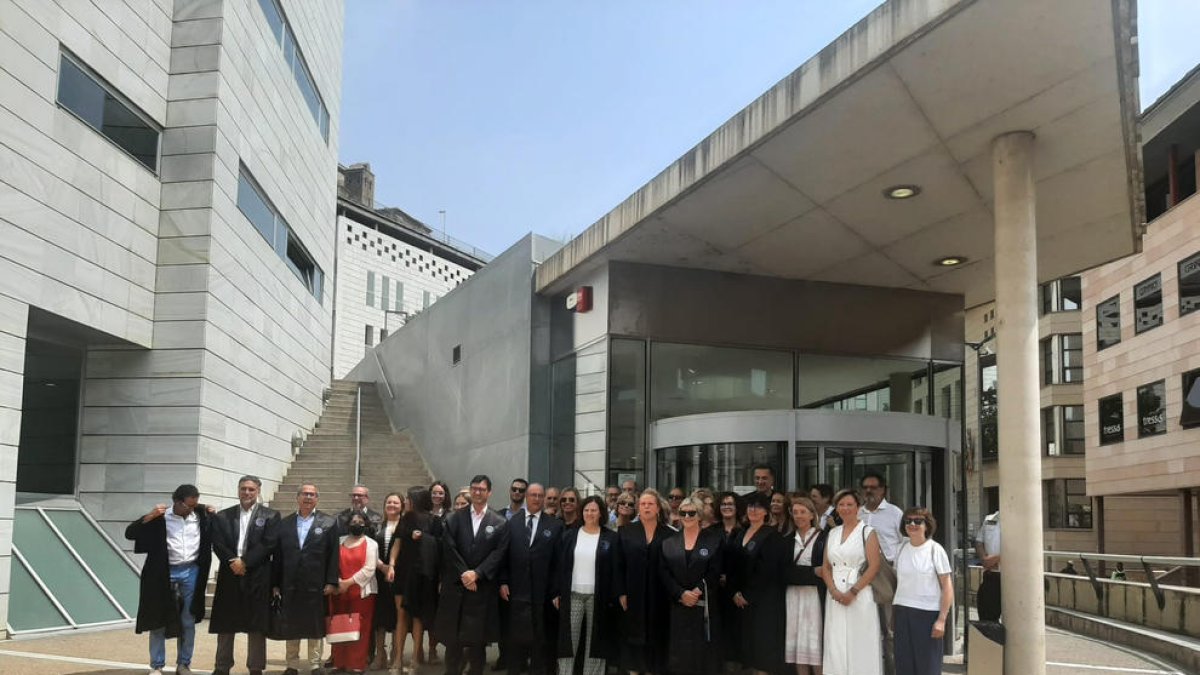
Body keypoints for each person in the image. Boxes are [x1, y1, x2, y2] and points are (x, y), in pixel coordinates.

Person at [125, 484, 214, 675]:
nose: (191, 509)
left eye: (194, 505)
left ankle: (184, 664)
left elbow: (213, 524)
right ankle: (157, 665)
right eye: (188, 505)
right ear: (177, 501)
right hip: (163, 572)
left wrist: (208, 510)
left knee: (188, 619)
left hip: (191, 571)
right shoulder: (160, 518)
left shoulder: (199, 516)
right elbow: (130, 533)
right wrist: (148, 516)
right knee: (158, 619)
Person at [436, 475, 509, 675]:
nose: (477, 492)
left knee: (477, 646)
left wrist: (477, 574)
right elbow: (449, 549)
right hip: (456, 589)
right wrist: (465, 574)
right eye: (474, 488)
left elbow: (499, 553)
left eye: (482, 489)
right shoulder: (454, 518)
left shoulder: (499, 522)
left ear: (489, 493)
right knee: (453, 644)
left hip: (481, 591)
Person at [210, 475, 279, 675]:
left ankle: (256, 667)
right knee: (225, 622)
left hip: (258, 575)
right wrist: (234, 561)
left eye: (251, 489)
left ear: (258, 491)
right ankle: (222, 666)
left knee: (257, 624)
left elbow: (269, 543)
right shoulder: (224, 516)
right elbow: (218, 543)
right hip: (230, 574)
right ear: (238, 490)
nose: (247, 493)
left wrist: (246, 561)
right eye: (243, 489)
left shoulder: (270, 516)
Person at [272, 483, 339, 675]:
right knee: (291, 624)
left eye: (312, 494)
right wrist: (275, 583)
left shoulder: (328, 522)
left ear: (317, 498)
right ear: (297, 497)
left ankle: (314, 664)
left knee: (314, 625)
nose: (308, 497)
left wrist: (331, 581)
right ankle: (292, 664)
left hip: (316, 584)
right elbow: (278, 556)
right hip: (289, 583)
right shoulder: (284, 523)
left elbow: (334, 554)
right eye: (304, 494)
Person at [500, 483, 563, 675]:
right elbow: (503, 556)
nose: (536, 498)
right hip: (516, 592)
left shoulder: (554, 525)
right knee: (515, 641)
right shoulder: (510, 523)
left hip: (542, 595)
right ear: (526, 497)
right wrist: (503, 581)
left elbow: (558, 562)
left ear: (544, 498)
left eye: (540, 495)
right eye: (533, 495)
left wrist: (556, 591)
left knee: (539, 641)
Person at [552, 495, 618, 675]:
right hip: (573, 595)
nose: (589, 513)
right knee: (568, 641)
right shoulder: (569, 536)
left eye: (594, 510)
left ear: (601, 513)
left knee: (595, 642)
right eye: (587, 510)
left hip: (598, 597)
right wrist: (557, 592)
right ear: (582, 512)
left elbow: (615, 570)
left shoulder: (611, 538)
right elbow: (559, 566)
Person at [659, 495, 724, 675]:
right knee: (679, 656)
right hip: (678, 608)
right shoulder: (668, 543)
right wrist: (680, 594)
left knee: (703, 657)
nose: (687, 517)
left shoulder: (713, 540)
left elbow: (715, 571)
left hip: (704, 608)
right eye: (683, 513)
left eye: (691, 513)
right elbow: (664, 573)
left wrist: (697, 591)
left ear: (700, 516)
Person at [822, 488, 884, 675]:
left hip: (860, 592)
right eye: (841, 505)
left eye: (850, 504)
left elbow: (874, 566)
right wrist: (833, 590)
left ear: (858, 507)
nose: (845, 508)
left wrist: (853, 592)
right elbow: (825, 566)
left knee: (861, 641)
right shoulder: (833, 533)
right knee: (836, 641)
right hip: (835, 594)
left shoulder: (868, 532)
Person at [615, 488, 671, 675]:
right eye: (643, 504)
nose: (646, 507)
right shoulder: (625, 532)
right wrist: (621, 592)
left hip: (659, 595)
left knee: (656, 637)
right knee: (633, 638)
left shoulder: (669, 534)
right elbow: (618, 564)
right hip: (633, 594)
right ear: (638, 508)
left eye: (650, 504)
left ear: (658, 509)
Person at [892, 508, 953, 675]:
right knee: (904, 666)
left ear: (927, 525)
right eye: (908, 521)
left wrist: (942, 619)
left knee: (928, 667)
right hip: (902, 612)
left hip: (927, 615)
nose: (912, 524)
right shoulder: (901, 549)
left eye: (918, 521)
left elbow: (947, 587)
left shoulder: (935, 549)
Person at [730, 492, 786, 675]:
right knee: (747, 648)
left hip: (764, 601)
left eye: (759, 507)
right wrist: (735, 592)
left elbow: (767, 571)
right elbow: (733, 565)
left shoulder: (772, 536)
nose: (753, 510)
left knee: (763, 647)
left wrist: (748, 595)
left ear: (766, 511)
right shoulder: (740, 533)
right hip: (740, 601)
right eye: (750, 506)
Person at [329, 510, 380, 674]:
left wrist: (348, 583)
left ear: (365, 524)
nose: (356, 523)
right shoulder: (339, 541)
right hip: (339, 592)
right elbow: (331, 563)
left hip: (362, 593)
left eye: (360, 521)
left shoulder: (371, 543)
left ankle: (356, 665)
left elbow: (370, 568)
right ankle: (339, 663)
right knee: (339, 627)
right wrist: (338, 582)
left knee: (361, 629)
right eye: (353, 521)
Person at [784, 497, 826, 675]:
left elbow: (826, 571)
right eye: (795, 512)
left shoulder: (824, 537)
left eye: (803, 512)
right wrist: (812, 572)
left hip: (815, 597)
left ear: (811, 514)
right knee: (797, 647)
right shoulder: (786, 540)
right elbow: (784, 572)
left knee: (815, 644)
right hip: (793, 597)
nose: (799, 516)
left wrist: (801, 574)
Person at [399, 487, 439, 671]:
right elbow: (399, 539)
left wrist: (424, 537)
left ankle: (418, 655)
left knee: (420, 616)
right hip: (408, 574)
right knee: (407, 614)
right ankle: (401, 657)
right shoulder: (406, 518)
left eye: (408, 498)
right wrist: (410, 535)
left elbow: (439, 543)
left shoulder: (433, 520)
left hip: (425, 575)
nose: (406, 501)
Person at [370, 492, 404, 671]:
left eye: (396, 502)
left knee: (398, 616)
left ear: (402, 506)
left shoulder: (405, 526)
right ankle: (380, 655)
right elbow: (369, 550)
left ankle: (395, 653)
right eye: (389, 502)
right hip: (379, 577)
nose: (392, 505)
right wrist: (382, 567)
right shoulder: (376, 525)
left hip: (400, 577)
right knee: (380, 618)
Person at [714, 491, 743, 668]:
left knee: (736, 631)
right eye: (723, 504)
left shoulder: (745, 530)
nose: (726, 507)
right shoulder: (711, 531)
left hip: (737, 590)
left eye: (730, 504)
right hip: (716, 588)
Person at [974, 510, 1001, 622]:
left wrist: (998, 558)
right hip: (991, 575)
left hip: (1013, 577)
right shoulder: (990, 519)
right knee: (987, 618)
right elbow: (979, 541)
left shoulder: (1022, 519)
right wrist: (985, 559)